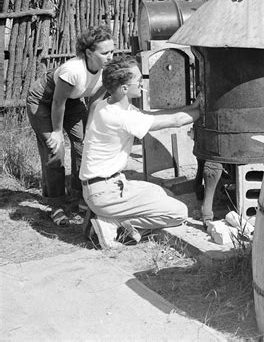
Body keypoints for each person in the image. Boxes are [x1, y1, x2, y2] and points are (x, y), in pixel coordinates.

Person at [80, 56, 201, 249]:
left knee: (165, 192)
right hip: (105, 192)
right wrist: (204, 110)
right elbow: (176, 121)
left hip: (106, 186)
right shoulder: (123, 118)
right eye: (138, 79)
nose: (142, 82)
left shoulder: (105, 105)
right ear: (124, 89)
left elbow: (151, 115)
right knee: (178, 212)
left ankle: (108, 216)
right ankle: (113, 225)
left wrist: (193, 107)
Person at [26, 26, 114, 226]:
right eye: (105, 52)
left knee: (84, 144)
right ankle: (55, 204)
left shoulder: (106, 72)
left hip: (72, 101)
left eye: (112, 51)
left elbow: (94, 101)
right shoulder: (73, 70)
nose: (110, 56)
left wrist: (90, 126)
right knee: (55, 150)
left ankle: (79, 195)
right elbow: (57, 103)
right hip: (43, 100)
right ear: (89, 53)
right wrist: (57, 132)